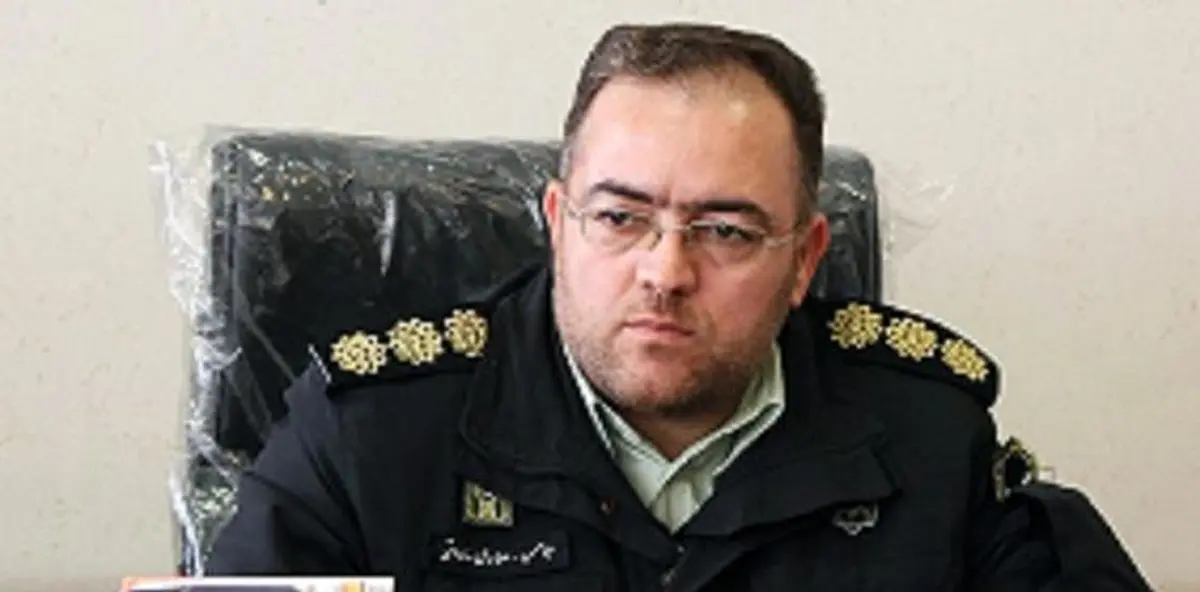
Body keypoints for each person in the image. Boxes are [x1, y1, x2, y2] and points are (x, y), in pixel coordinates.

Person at [206, 22, 1152, 590]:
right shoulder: (365, 437)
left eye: (726, 230)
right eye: (621, 217)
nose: (665, 272)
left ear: (804, 259)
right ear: (558, 225)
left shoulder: (929, 440)